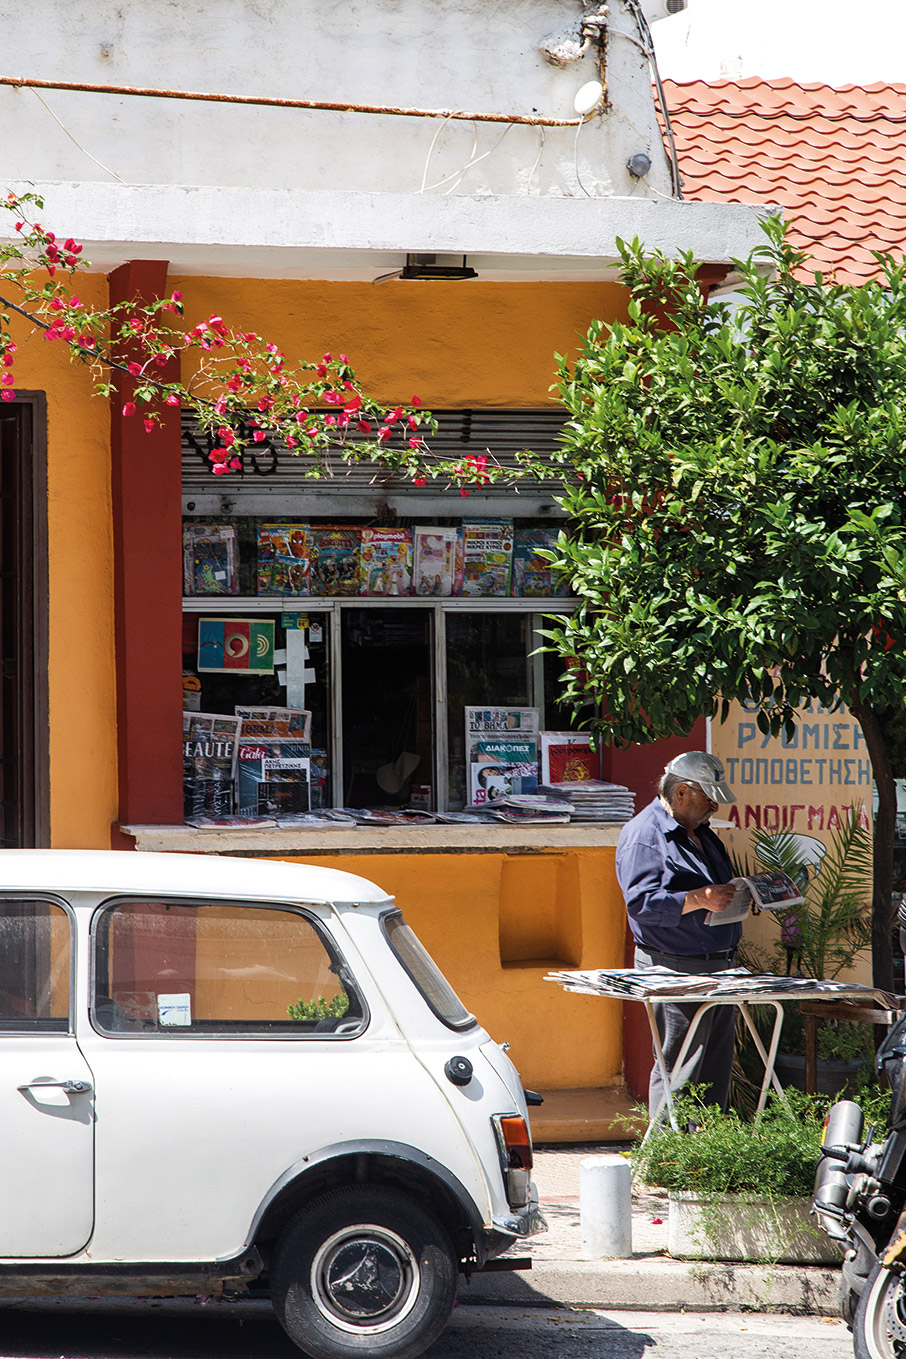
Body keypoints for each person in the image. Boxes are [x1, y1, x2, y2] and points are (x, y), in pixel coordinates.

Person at [616, 751, 739, 1119]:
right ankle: (668, 1162)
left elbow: (717, 887)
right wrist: (700, 898)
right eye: (708, 796)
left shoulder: (699, 833)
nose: (714, 806)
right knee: (680, 1069)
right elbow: (642, 905)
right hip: (674, 968)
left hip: (717, 967)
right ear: (682, 792)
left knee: (715, 1071)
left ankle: (708, 1154)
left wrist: (741, 898)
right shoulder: (644, 835)